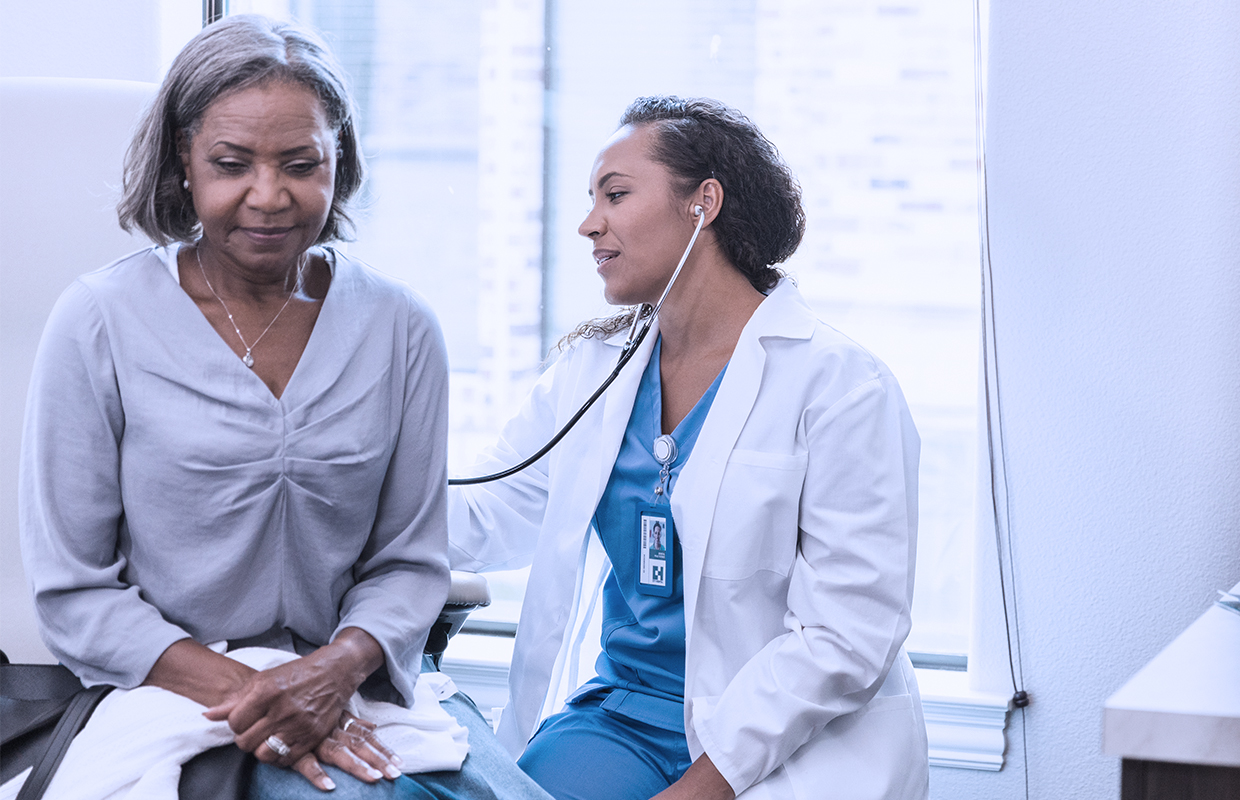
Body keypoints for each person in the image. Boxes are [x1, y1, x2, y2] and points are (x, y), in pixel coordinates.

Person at [19, 15, 548, 800]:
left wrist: (333, 674)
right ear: (183, 166)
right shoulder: (98, 321)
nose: (268, 196)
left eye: (301, 164)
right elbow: (74, 591)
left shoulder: (400, 329)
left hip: (354, 685)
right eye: (231, 164)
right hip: (170, 693)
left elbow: (407, 560)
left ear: (341, 164)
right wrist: (271, 698)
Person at [449, 96, 930, 800]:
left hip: (796, 732)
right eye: (591, 200)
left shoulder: (841, 387)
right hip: (625, 718)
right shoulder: (592, 373)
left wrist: (706, 785)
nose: (589, 224)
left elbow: (848, 632)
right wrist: (342, 517)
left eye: (615, 195)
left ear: (703, 203)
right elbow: (495, 509)